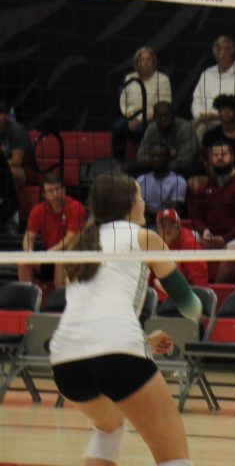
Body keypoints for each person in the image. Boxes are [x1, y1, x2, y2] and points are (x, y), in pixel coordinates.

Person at [50, 172, 202, 466]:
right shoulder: (145, 237)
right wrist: (200, 302)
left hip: (65, 361)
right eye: (140, 197)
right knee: (173, 455)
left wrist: (141, 340)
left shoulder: (82, 243)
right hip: (117, 352)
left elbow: (92, 317)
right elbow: (190, 307)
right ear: (129, 203)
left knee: (109, 428)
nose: (145, 203)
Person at [188, 140, 235, 283]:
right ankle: (195, 285)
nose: (219, 158)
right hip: (209, 236)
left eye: (224, 154)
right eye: (215, 155)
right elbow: (195, 217)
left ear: (232, 157)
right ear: (211, 159)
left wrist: (225, 238)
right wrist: (204, 231)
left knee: (233, 249)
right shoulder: (205, 187)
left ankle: (215, 290)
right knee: (189, 238)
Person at [19, 175, 86, 289]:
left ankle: (59, 303)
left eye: (58, 189)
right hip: (50, 255)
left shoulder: (76, 207)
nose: (55, 194)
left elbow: (70, 238)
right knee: (23, 262)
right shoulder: (38, 210)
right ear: (44, 195)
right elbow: (29, 237)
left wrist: (47, 254)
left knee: (60, 260)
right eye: (50, 191)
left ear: (64, 190)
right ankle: (29, 301)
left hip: (72, 255)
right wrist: (29, 252)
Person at [113, 45, 172, 162]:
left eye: (148, 59)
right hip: (129, 117)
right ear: (136, 63)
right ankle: (118, 162)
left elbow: (165, 104)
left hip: (151, 117)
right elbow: (122, 101)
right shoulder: (130, 77)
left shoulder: (162, 80)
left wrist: (142, 119)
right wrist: (128, 118)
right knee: (118, 127)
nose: (145, 63)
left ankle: (143, 162)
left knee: (141, 130)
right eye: (141, 60)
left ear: (153, 62)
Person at [190, 35, 235, 137]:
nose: (223, 53)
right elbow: (197, 100)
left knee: (202, 130)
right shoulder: (207, 74)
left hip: (232, 120)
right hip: (204, 119)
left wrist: (217, 116)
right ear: (215, 53)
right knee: (186, 129)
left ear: (232, 53)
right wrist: (201, 115)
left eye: (227, 49)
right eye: (220, 50)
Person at [199, 94, 235, 186]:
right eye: (222, 108)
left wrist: (230, 176)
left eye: (230, 109)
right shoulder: (210, 135)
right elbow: (210, 165)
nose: (226, 111)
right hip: (216, 180)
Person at [135, 101, 199, 177]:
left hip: (182, 168)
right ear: (154, 117)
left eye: (166, 116)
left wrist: (161, 163)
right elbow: (141, 156)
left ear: (173, 115)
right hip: (155, 166)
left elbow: (187, 160)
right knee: (131, 169)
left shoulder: (186, 128)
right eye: (159, 117)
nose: (163, 119)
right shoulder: (151, 128)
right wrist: (157, 161)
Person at [154, 208, 209, 288]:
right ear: (158, 229)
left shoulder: (189, 243)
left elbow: (200, 277)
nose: (167, 230)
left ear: (179, 226)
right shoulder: (156, 243)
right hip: (162, 295)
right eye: (163, 226)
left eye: (171, 225)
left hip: (186, 294)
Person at [135, 143, 187, 226]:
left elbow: (171, 213)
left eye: (160, 156)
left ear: (168, 159)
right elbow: (136, 209)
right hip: (142, 224)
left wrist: (147, 211)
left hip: (166, 226)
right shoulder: (141, 180)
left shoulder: (179, 182)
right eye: (153, 156)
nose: (156, 159)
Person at [0, 101, 32, 190]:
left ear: (5, 115)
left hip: (25, 170)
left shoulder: (16, 130)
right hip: (4, 167)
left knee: (9, 173)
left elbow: (16, 161)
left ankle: (12, 203)